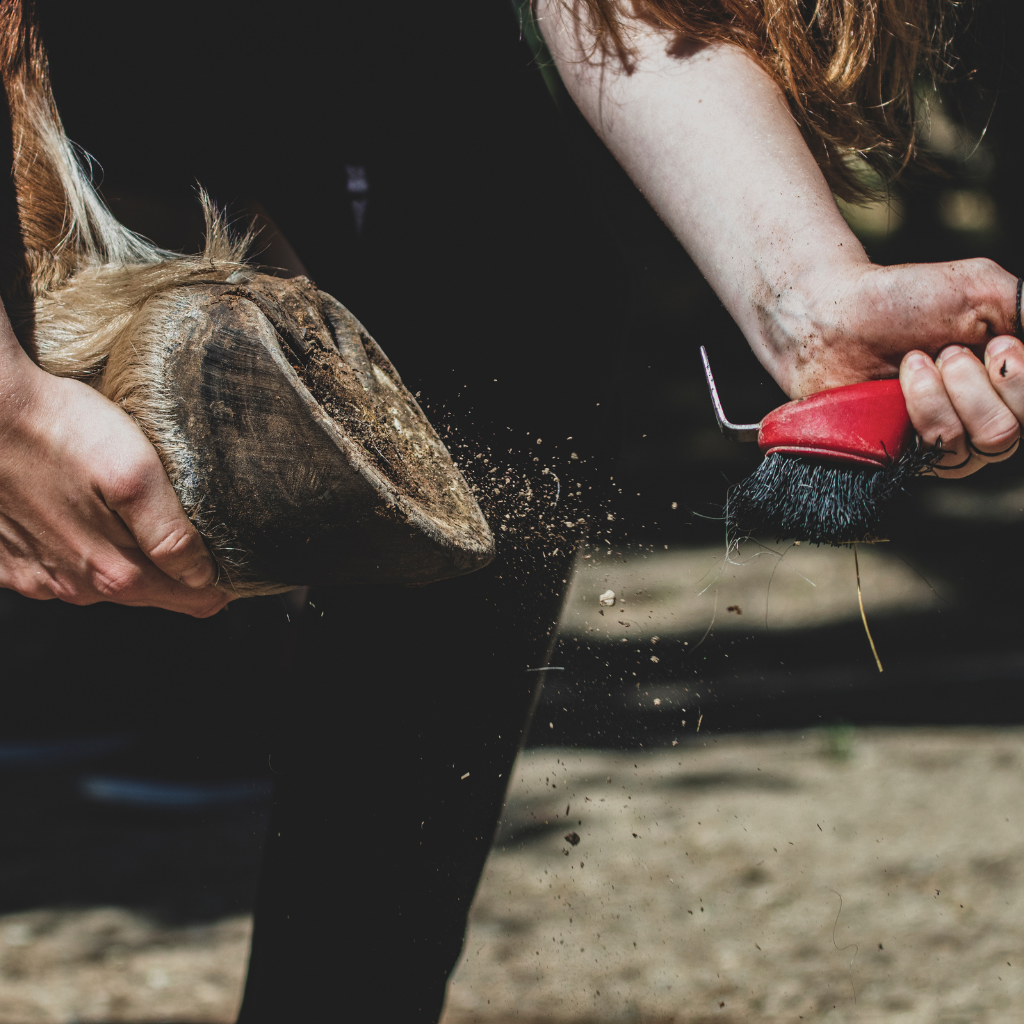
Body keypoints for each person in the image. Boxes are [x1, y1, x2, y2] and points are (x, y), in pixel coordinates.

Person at [1, 0, 1022, 1020]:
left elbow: (632, 18)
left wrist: (809, 291)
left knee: (518, 284)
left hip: (349, 72)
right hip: (57, 79)